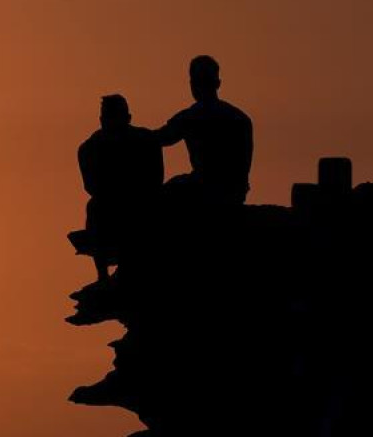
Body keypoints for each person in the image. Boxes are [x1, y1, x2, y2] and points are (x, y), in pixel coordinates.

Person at [77, 94, 164, 280]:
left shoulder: (147, 141)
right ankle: (103, 276)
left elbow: (156, 182)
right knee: (94, 206)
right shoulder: (89, 148)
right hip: (111, 210)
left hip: (141, 208)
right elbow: (92, 187)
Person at [155, 55, 253, 206]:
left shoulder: (190, 117)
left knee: (164, 195)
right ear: (218, 83)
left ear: (192, 84)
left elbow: (160, 138)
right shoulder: (241, 119)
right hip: (235, 192)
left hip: (206, 189)